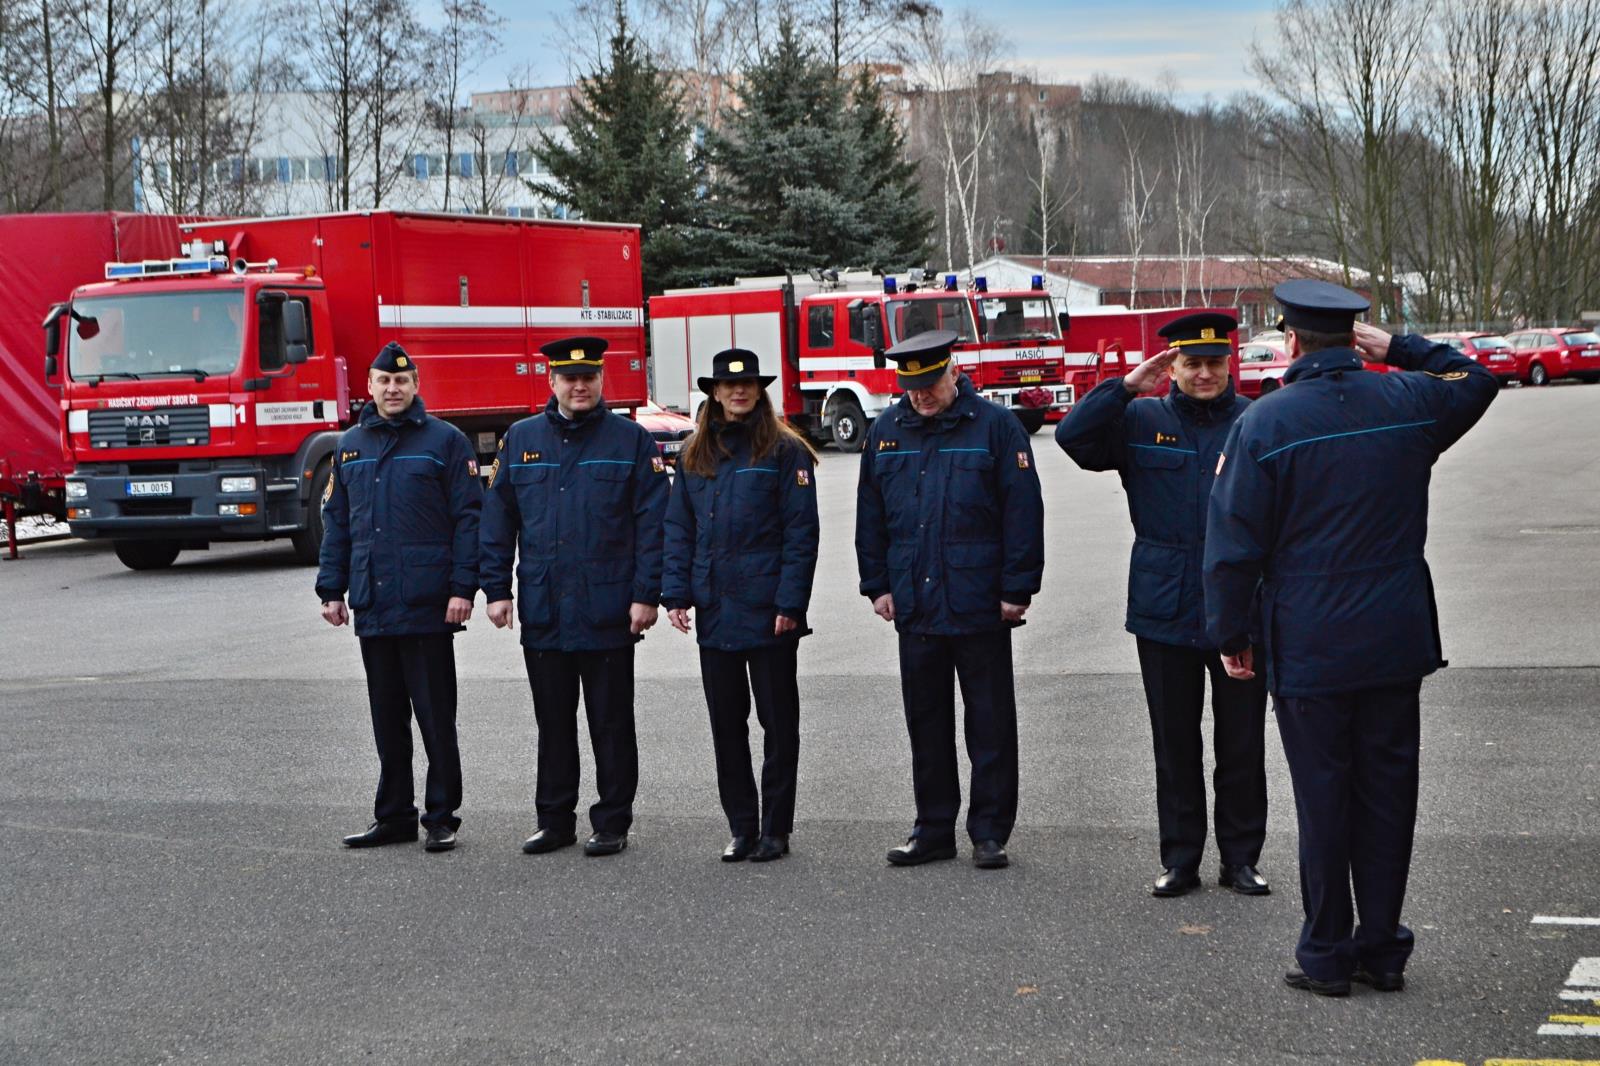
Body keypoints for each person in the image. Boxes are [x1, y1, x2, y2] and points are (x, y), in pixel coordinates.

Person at [1204, 280, 1498, 997]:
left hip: (1310, 642)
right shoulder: (1409, 403)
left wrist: (1230, 632)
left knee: (1325, 798)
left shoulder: (1265, 423)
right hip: (1395, 637)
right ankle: (1383, 949)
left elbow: (1233, 544)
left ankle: (1329, 953)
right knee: (1388, 795)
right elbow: (1477, 376)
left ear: (1292, 341)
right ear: (1354, 339)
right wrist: (1402, 349)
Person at [1056, 312, 1270, 899]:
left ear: (1230, 365)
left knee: (1242, 740)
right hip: (1164, 603)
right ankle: (1180, 858)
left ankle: (1241, 858)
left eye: (1214, 363)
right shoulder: (1140, 418)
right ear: (1171, 366)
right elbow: (1074, 440)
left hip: (1243, 604)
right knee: (1174, 741)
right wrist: (1124, 385)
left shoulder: (1255, 419)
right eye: (1191, 363)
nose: (1204, 373)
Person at [855, 329, 1045, 870]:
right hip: (914, 601)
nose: (921, 395)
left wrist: (1017, 588)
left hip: (979, 599)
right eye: (911, 386)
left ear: (954, 370)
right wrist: (878, 584)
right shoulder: (887, 431)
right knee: (926, 721)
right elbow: (872, 516)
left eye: (930, 384)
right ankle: (933, 828)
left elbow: (1022, 512)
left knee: (989, 722)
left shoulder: (995, 428)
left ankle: (989, 831)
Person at [480, 335, 669, 858]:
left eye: (588, 376)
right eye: (569, 377)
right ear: (552, 381)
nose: (579, 385)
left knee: (611, 721)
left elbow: (653, 524)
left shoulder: (630, 441)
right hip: (544, 607)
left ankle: (612, 821)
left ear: (602, 380)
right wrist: (496, 589)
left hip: (609, 607)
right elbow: (497, 521)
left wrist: (646, 594)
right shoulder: (521, 439)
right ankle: (554, 820)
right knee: (553, 722)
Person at [316, 341, 482, 853]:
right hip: (373, 602)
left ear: (416, 387)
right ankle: (393, 816)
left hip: (429, 603)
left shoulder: (445, 442)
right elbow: (337, 522)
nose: (393, 389)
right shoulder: (349, 446)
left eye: (402, 382)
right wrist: (331, 588)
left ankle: (440, 816)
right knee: (387, 718)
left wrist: (463, 588)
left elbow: (469, 520)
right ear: (369, 386)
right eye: (384, 381)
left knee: (435, 718)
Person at [662, 349, 821, 863]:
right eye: (730, 386)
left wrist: (791, 603)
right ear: (713, 392)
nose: (739, 392)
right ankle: (741, 827)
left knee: (778, 724)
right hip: (716, 609)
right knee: (726, 727)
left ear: (759, 390)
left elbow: (801, 534)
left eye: (749, 384)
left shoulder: (784, 450)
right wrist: (676, 594)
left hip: (770, 609)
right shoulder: (693, 454)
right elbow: (678, 530)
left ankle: (776, 828)